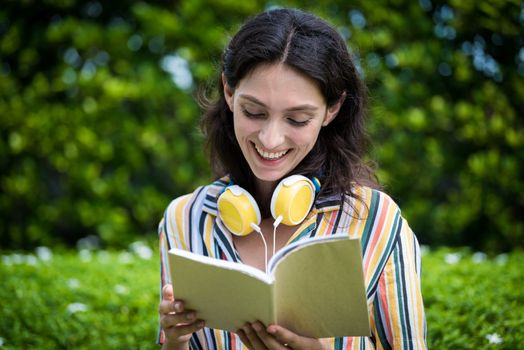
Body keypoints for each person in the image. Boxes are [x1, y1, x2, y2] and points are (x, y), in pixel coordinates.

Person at [158, 8, 427, 350]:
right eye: (253, 112)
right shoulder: (184, 220)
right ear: (228, 92)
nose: (270, 140)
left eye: (297, 119)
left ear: (332, 109)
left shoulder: (376, 221)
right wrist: (175, 341)